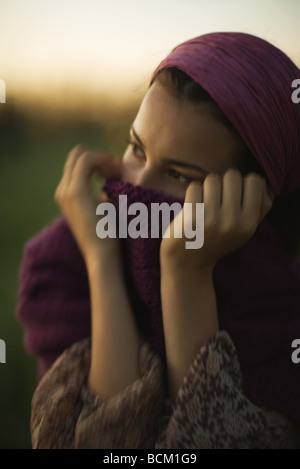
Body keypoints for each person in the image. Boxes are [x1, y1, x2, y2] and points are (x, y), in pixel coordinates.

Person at [16, 32, 300, 449]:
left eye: (179, 174)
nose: (136, 189)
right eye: (136, 149)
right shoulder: (62, 267)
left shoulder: (282, 305)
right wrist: (101, 260)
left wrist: (186, 274)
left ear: (253, 198)